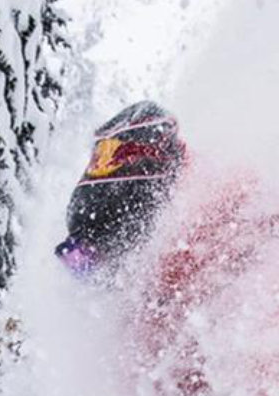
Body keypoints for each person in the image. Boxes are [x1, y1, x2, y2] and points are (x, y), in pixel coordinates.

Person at [54, 101, 187, 276]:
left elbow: (152, 214)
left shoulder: (112, 224)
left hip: (149, 145)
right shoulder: (78, 216)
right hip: (139, 138)